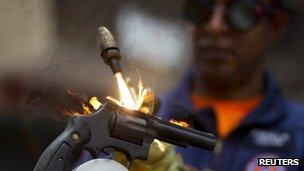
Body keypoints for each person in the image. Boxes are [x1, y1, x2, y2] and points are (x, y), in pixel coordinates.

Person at [156, 0, 304, 170]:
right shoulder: (150, 119)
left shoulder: (298, 138)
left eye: (241, 12)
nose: (214, 26)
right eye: (201, 8)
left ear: (277, 24)